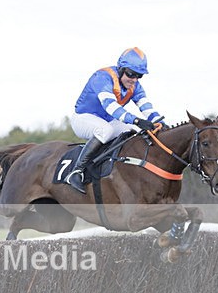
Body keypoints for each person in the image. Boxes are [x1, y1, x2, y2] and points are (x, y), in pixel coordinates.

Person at [67, 47, 166, 192]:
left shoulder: (135, 86)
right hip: (83, 118)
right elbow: (111, 107)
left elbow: (146, 106)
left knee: (132, 132)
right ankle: (77, 171)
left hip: (107, 120)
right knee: (105, 130)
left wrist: (160, 122)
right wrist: (137, 121)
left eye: (139, 76)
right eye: (131, 74)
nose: (134, 80)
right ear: (120, 69)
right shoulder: (102, 78)